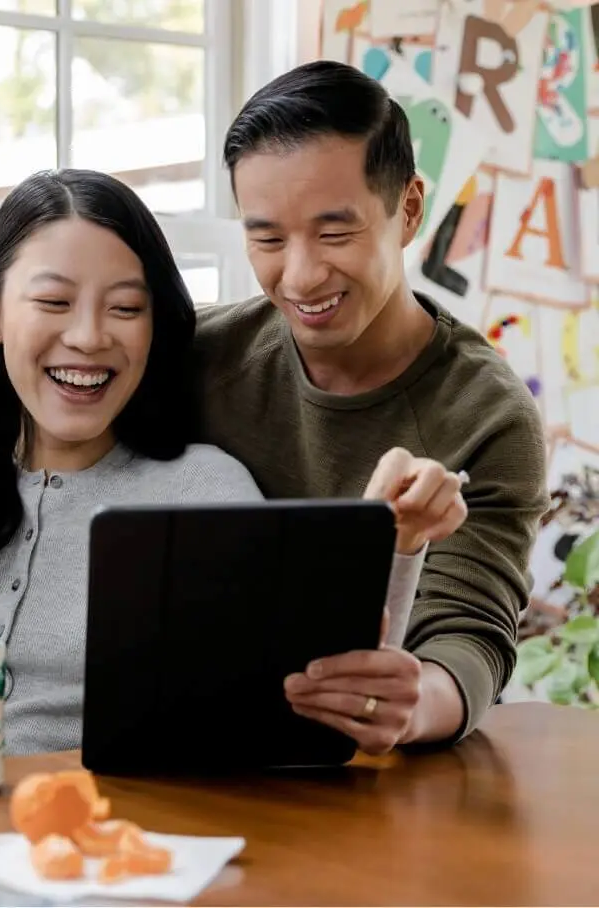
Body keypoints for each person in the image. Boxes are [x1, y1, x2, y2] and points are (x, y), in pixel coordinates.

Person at [0, 169, 466, 756]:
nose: (89, 337)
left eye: (125, 308)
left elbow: (323, 689)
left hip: (108, 854)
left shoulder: (201, 489)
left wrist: (399, 546)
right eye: (54, 302)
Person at [193, 61, 549, 755]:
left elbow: (468, 636)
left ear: (409, 209)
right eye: (266, 238)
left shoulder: (487, 412)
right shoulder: (194, 359)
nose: (299, 276)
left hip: (371, 786)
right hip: (192, 758)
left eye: (334, 233)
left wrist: (417, 702)